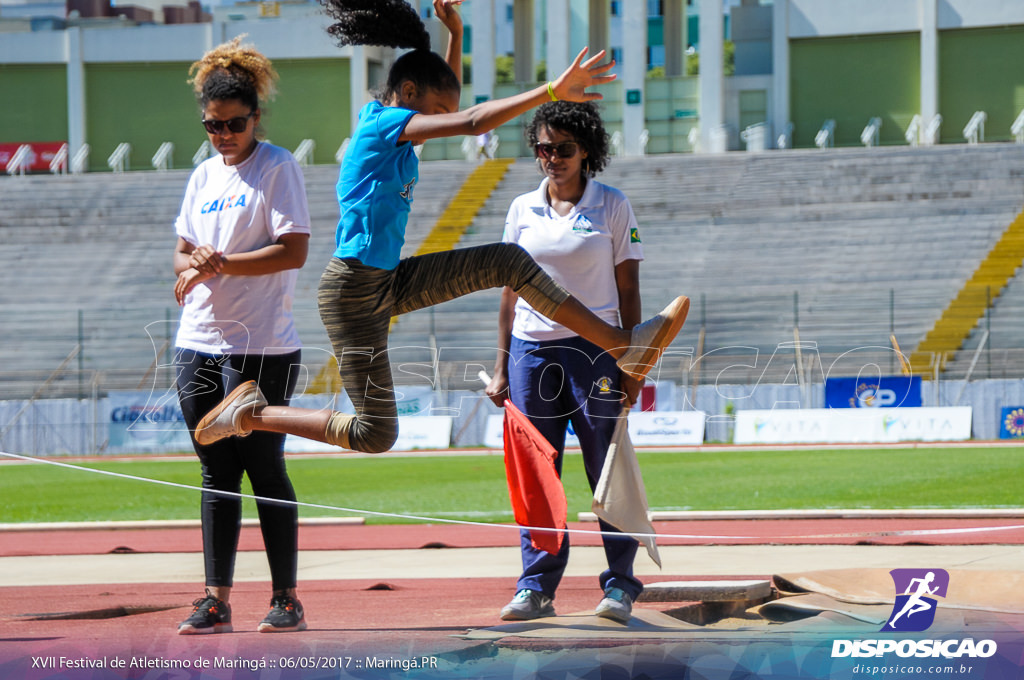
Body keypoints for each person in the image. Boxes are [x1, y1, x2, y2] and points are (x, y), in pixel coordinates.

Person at [191, 1, 688, 464]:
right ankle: (250, 414)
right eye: (432, 112)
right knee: (376, 434)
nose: (438, 124)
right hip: (353, 290)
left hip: (385, 281)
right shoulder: (380, 127)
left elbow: (438, 95)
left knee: (507, 261)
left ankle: (623, 346)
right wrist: (552, 91)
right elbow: (469, 121)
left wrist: (455, 34)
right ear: (408, 97)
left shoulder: (397, 118)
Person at [485, 101, 645, 623]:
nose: (552, 158)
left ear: (586, 152)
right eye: (543, 148)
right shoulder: (519, 209)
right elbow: (509, 294)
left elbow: (629, 291)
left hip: (596, 355)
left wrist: (631, 363)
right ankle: (536, 587)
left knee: (606, 469)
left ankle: (620, 586)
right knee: (538, 474)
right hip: (532, 352)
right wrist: (504, 364)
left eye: (564, 149)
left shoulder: (612, 205)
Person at [172, 37, 311, 635]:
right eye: (212, 125)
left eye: (233, 123)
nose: (223, 134)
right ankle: (214, 598)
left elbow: (294, 249)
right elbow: (180, 256)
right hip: (197, 339)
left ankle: (286, 598)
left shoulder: (277, 165)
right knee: (214, 470)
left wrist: (223, 262)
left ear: (256, 117)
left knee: (264, 466)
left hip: (262, 345)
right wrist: (196, 264)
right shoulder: (202, 176)